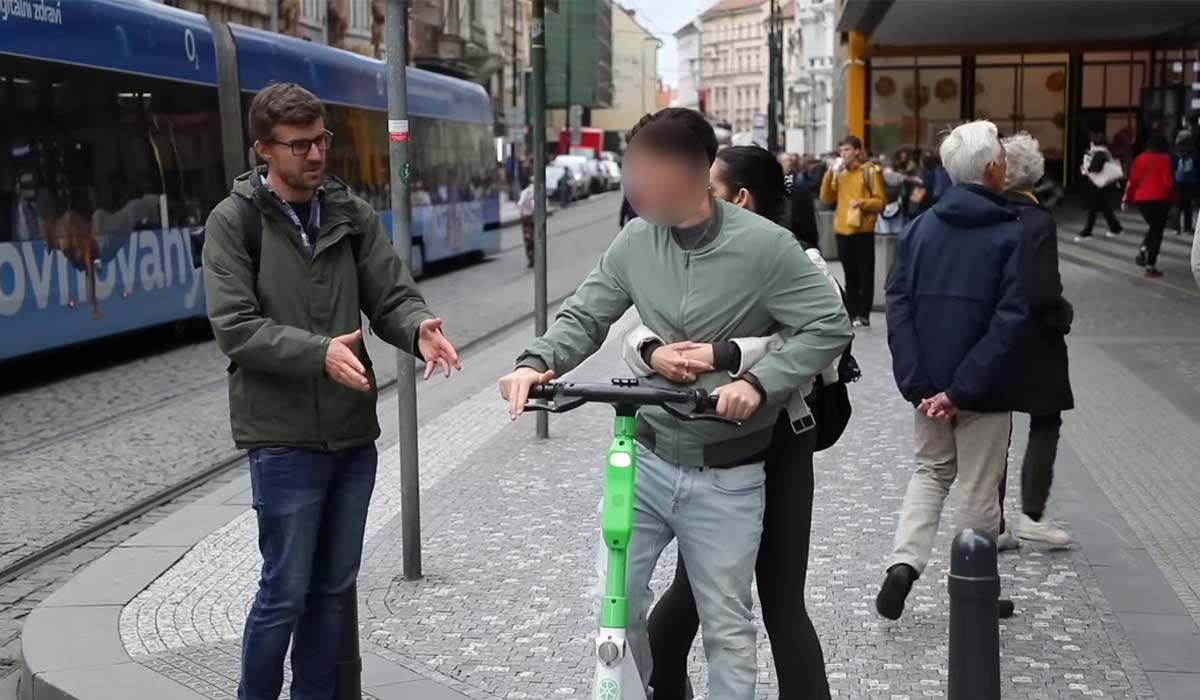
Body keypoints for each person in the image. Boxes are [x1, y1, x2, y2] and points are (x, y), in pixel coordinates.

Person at [498, 108, 852, 700]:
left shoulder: (766, 247)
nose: (631, 184)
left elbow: (828, 326)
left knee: (728, 630)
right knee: (617, 609)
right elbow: (587, 314)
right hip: (648, 460)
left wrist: (762, 383)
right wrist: (535, 362)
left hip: (730, 472)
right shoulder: (637, 240)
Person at [201, 83, 462, 700]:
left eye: (322, 140)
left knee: (333, 588)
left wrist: (417, 327)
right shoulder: (234, 222)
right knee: (285, 591)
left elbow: (390, 294)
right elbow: (235, 328)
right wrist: (319, 352)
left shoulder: (350, 213)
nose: (316, 154)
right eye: (299, 145)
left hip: (350, 435)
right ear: (265, 149)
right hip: (283, 437)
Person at [621, 146, 837, 700]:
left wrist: (727, 354)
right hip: (705, 445)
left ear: (740, 198)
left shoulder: (796, 261)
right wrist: (651, 348)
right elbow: (643, 323)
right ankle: (664, 687)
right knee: (695, 594)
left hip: (778, 442)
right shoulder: (686, 252)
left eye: (707, 189)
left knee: (778, 601)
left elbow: (817, 342)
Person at [876, 120, 1029, 621]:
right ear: (991, 170)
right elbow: (1010, 318)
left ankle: (903, 563)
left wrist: (920, 382)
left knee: (930, 471)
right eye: (1002, 158)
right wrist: (964, 388)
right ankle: (974, 586)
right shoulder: (1011, 232)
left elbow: (896, 302)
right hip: (982, 388)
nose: (1006, 165)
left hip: (928, 385)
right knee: (980, 485)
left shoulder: (921, 228)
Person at [997, 133, 1075, 548]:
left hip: (992, 334)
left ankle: (993, 520)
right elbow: (1045, 290)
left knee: (994, 425)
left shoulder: (989, 215)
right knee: (1045, 419)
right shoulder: (1038, 220)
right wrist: (1064, 315)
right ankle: (1033, 513)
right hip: (1037, 336)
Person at [820, 135, 886, 327]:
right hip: (842, 228)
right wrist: (830, 173)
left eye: (847, 150)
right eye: (841, 151)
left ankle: (863, 314)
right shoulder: (840, 174)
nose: (843, 154)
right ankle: (852, 311)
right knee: (849, 274)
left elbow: (881, 202)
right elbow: (826, 196)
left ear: (858, 151)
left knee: (865, 272)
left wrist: (863, 203)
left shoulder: (870, 172)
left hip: (862, 229)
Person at [1124, 133, 1174, 278]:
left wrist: (1127, 199)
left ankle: (1144, 249)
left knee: (1153, 226)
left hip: (1142, 199)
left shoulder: (1140, 158)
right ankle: (1150, 264)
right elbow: (1168, 182)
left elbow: (1133, 181)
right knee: (1157, 230)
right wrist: (1173, 199)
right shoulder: (1165, 159)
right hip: (1160, 198)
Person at [1077, 132, 1124, 241]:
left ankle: (1088, 231)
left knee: (1094, 207)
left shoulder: (1099, 153)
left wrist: (1086, 170)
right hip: (1100, 184)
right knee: (1103, 207)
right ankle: (1115, 228)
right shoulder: (1103, 152)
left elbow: (1095, 168)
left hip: (1097, 183)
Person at [1172, 129, 1199, 235]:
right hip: (1191, 181)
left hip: (1177, 180)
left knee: (1176, 204)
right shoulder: (1193, 151)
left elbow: (1172, 165)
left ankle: (1176, 228)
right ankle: (1187, 227)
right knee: (1188, 205)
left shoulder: (1175, 151)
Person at [518, 181, 536, 267]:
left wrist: (523, 211)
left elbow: (520, 204)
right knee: (534, 237)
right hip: (533, 218)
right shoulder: (534, 191)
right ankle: (536, 256)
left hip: (526, 218)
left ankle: (531, 258)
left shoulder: (524, 192)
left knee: (527, 239)